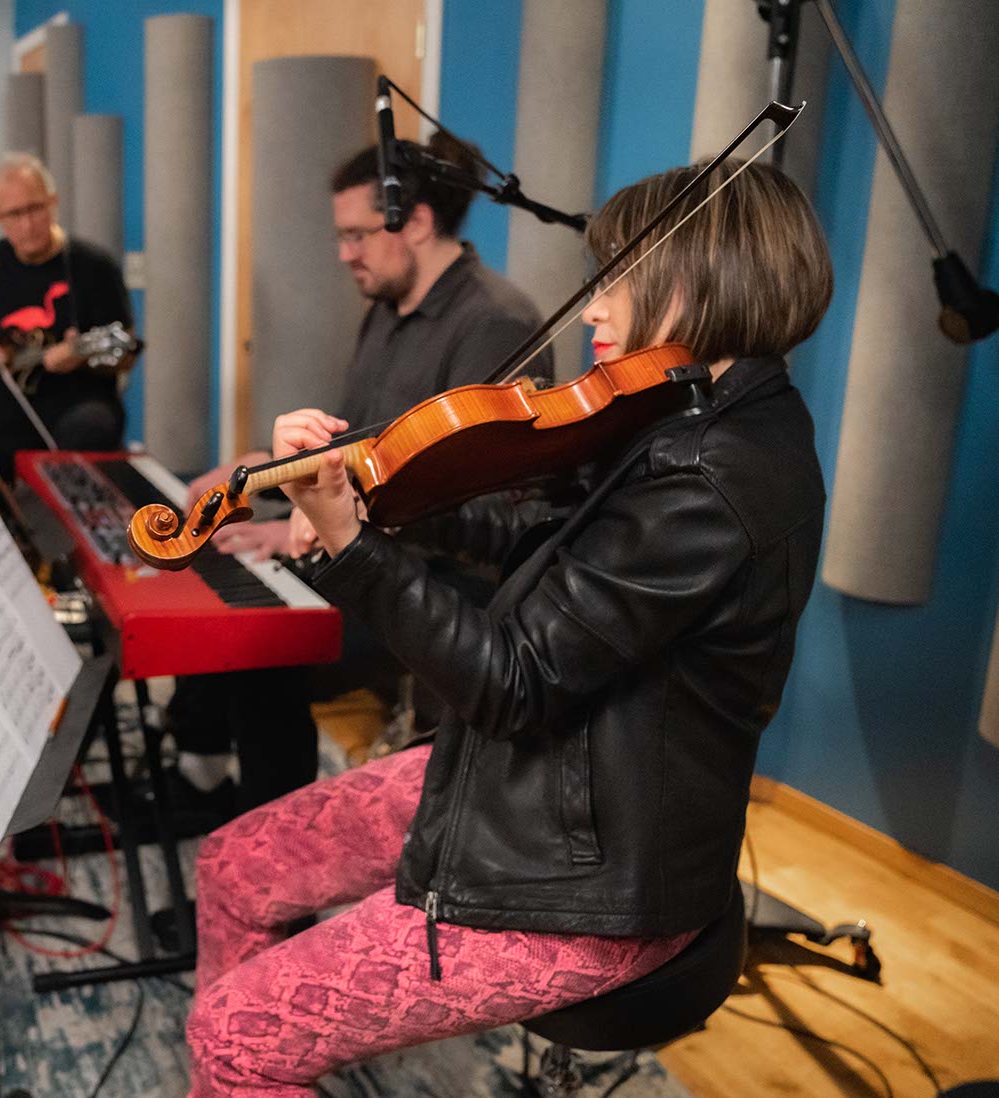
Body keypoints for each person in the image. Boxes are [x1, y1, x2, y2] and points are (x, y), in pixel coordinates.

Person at [184, 157, 834, 1095]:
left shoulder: (713, 479)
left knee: (231, 1035)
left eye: (621, 277)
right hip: (539, 782)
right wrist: (373, 496)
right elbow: (533, 535)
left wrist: (351, 548)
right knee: (234, 864)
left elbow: (513, 683)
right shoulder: (687, 412)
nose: (596, 305)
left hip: (584, 877)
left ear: (703, 280)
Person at [166, 134, 552, 817]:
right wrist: (262, 467)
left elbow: (489, 509)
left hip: (443, 585)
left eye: (357, 235)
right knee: (217, 567)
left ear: (418, 222)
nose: (345, 254)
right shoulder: (385, 310)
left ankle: (273, 849)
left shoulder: (495, 322)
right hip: (366, 543)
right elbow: (353, 444)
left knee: (263, 648)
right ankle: (201, 777)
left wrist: (314, 521)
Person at [0, 153, 136, 450]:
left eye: (35, 208)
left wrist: (82, 357)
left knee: (90, 427)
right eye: (14, 214)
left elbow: (126, 355)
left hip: (81, 401)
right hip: (10, 401)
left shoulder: (94, 265)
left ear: (53, 202)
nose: (27, 224)